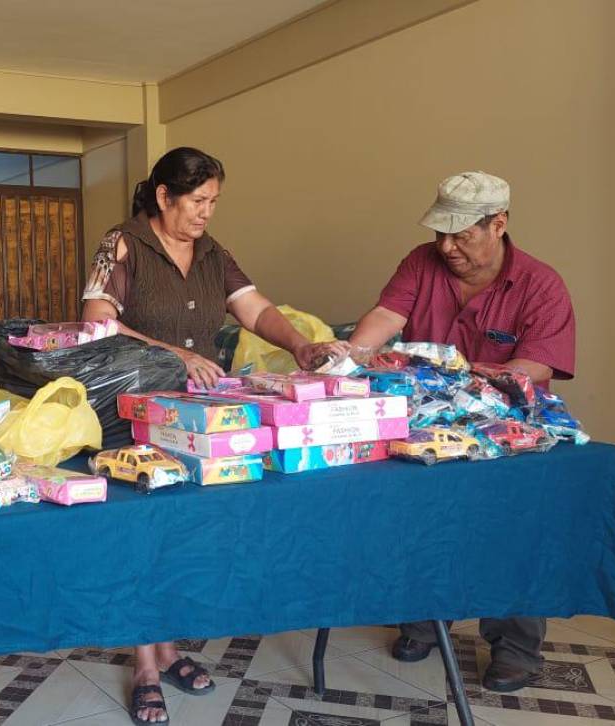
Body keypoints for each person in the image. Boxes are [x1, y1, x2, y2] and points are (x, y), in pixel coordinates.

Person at [82, 146, 331, 724]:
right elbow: (97, 318)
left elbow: (253, 307)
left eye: (214, 202)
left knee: (179, 528)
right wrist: (172, 353)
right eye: (197, 201)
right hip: (131, 405)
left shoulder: (215, 253)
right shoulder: (123, 243)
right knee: (143, 527)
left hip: (193, 413)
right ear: (164, 196)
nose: (206, 213)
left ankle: (168, 648)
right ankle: (145, 662)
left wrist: (299, 345)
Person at [323, 171, 575, 693]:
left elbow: (533, 369)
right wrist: (349, 358)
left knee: (510, 530)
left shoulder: (541, 285)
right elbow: (386, 317)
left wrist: (456, 373)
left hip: (507, 429)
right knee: (420, 521)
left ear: (498, 225)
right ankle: (422, 619)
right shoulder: (422, 262)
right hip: (428, 423)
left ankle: (516, 646)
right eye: (441, 232)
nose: (445, 246)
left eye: (460, 235)